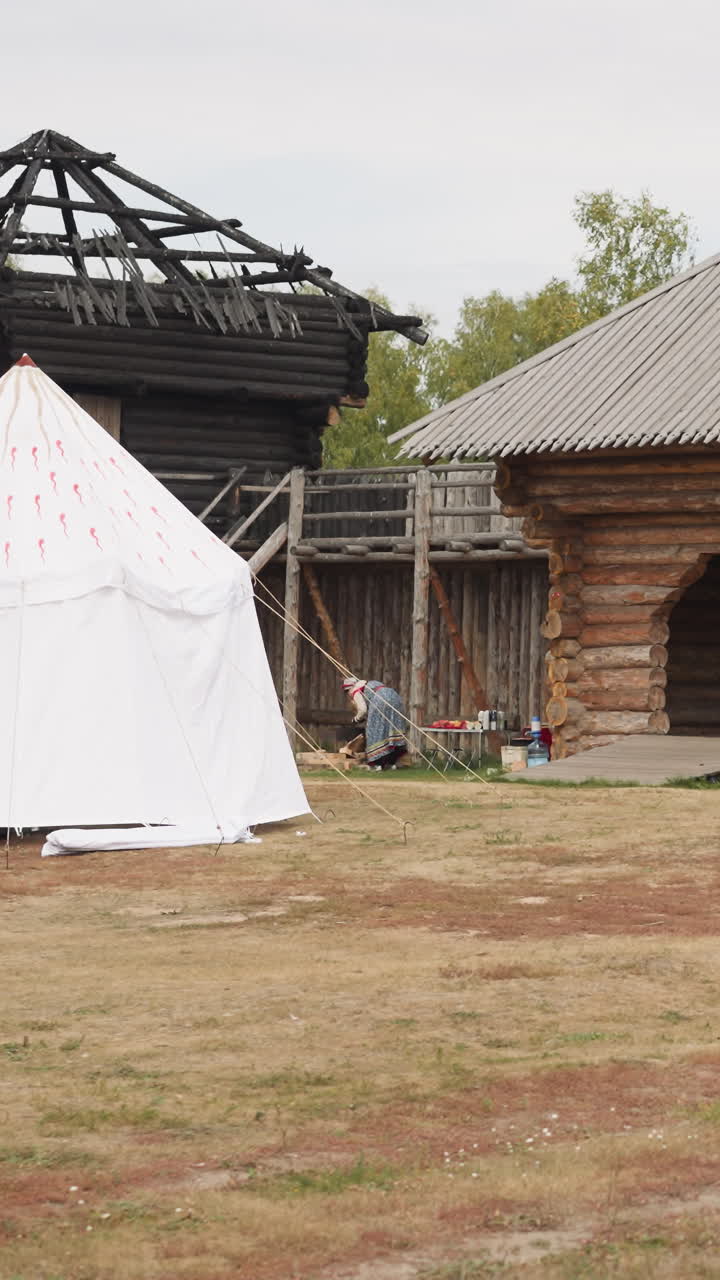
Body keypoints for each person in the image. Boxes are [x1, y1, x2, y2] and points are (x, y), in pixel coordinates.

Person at [342, 676, 408, 770]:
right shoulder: (370, 684)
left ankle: (378, 764)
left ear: (349, 689)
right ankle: (392, 762)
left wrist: (356, 719)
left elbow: (363, 710)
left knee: (375, 731)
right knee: (392, 729)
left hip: (380, 701)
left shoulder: (355, 691)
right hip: (395, 697)